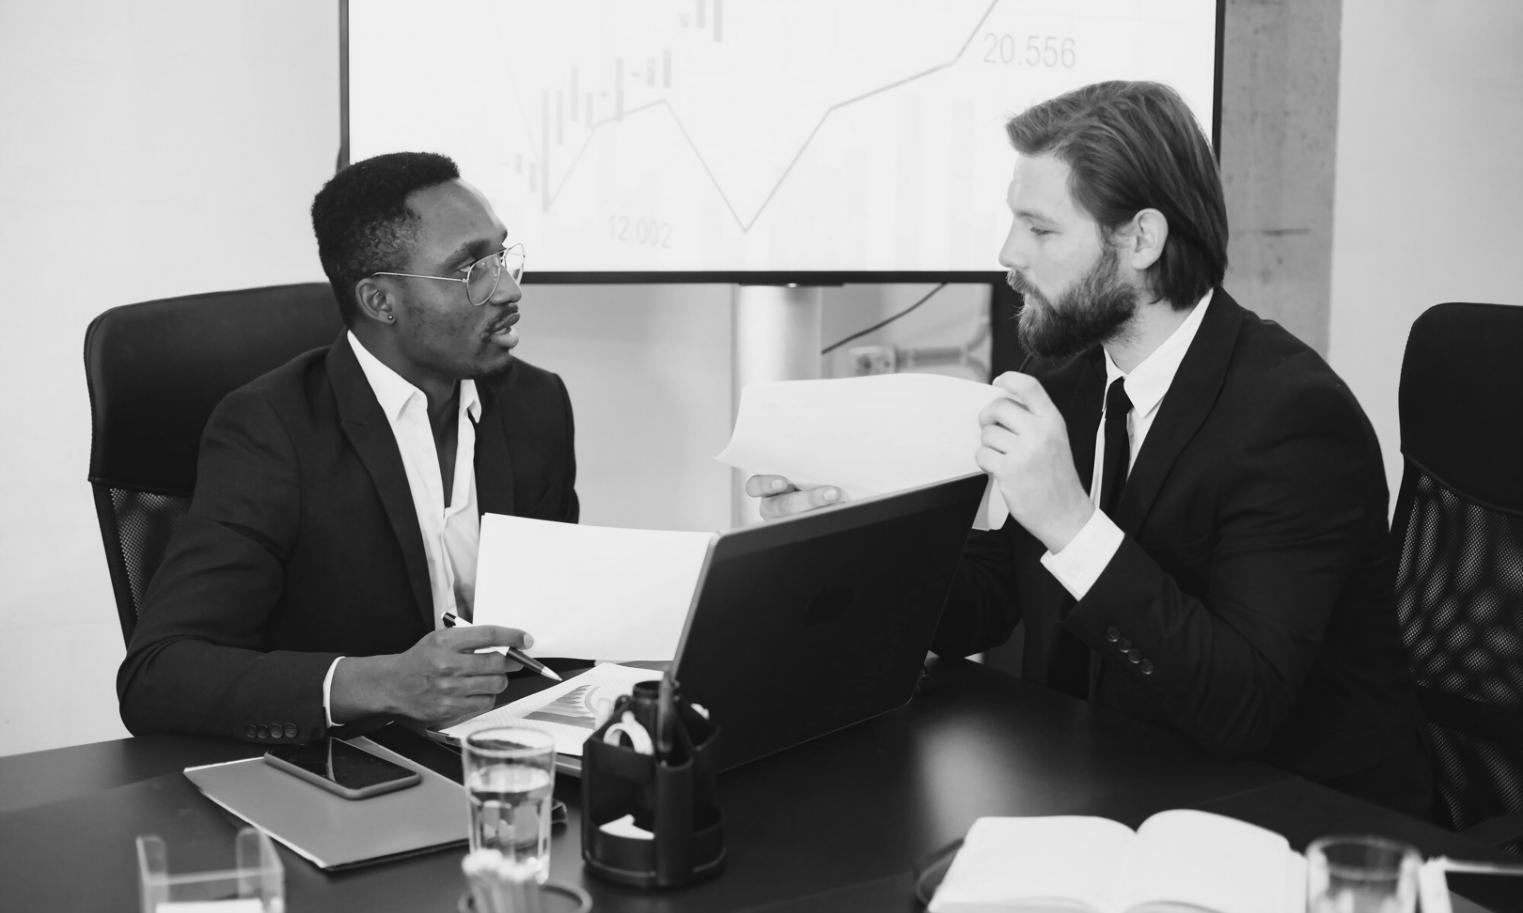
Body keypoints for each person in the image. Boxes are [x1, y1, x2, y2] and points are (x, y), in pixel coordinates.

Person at [754, 81, 1434, 818]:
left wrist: (1071, 525)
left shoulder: (1294, 421)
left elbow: (1242, 707)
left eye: (1040, 230)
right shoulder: (1067, 375)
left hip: (1293, 817)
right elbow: (986, 602)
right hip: (1100, 777)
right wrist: (855, 535)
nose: (1008, 253)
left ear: (1140, 240)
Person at [117, 152, 579, 744]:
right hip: (349, 765)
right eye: (470, 270)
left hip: (506, 751)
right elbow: (158, 676)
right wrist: (381, 683)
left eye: (501, 256)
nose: (509, 289)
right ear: (380, 301)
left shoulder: (536, 404)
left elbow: (554, 624)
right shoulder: (270, 431)